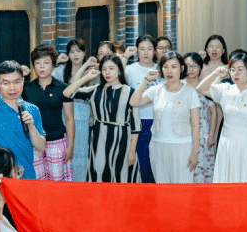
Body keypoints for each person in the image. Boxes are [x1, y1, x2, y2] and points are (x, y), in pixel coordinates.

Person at [197, 52, 247, 183]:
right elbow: (201, 88)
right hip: (227, 144)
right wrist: (216, 74)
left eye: (239, 69)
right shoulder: (226, 89)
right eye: (232, 69)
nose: (235, 73)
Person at [64, 55, 141, 183]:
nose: (107, 72)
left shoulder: (131, 92)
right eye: (104, 69)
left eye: (111, 68)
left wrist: (132, 151)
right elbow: (67, 93)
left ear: (119, 70)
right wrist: (87, 77)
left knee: (123, 178)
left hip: (123, 141)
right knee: (99, 177)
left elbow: (135, 125)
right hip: (99, 140)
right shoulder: (94, 90)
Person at [130, 52, 200, 183]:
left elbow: (196, 126)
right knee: (162, 189)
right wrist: (146, 80)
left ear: (181, 68)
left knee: (182, 189)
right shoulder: (156, 90)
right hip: (158, 146)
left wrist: (195, 153)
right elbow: (134, 102)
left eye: (174, 66)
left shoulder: (190, 92)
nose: (169, 71)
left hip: (182, 147)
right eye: (165, 66)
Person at [24, 45, 74, 181]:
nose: (41, 67)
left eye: (46, 63)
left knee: (58, 183)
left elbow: (69, 119)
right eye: (37, 63)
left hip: (57, 141)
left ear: (53, 66)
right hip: (34, 142)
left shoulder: (63, 88)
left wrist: (70, 146)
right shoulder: (27, 88)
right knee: (38, 182)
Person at [54, 38, 94, 181]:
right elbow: (71, 86)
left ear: (84, 53)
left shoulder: (92, 72)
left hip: (84, 118)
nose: (76, 55)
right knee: (65, 153)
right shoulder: (60, 71)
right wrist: (57, 61)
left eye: (79, 51)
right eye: (72, 52)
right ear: (68, 55)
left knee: (81, 155)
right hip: (64, 117)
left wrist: (87, 66)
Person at [125, 34, 159, 183]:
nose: (146, 52)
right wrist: (126, 55)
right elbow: (116, 73)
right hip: (139, 122)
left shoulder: (161, 69)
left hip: (158, 121)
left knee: (157, 163)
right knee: (143, 162)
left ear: (155, 51)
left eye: (149, 49)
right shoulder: (130, 69)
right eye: (142, 49)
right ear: (137, 50)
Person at [183, 52, 218, 183]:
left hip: (203, 132)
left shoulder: (205, 86)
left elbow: (213, 112)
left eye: (195, 66)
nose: (191, 69)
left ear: (200, 68)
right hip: (183, 130)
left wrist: (211, 135)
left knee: (204, 167)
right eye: (188, 66)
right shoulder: (179, 85)